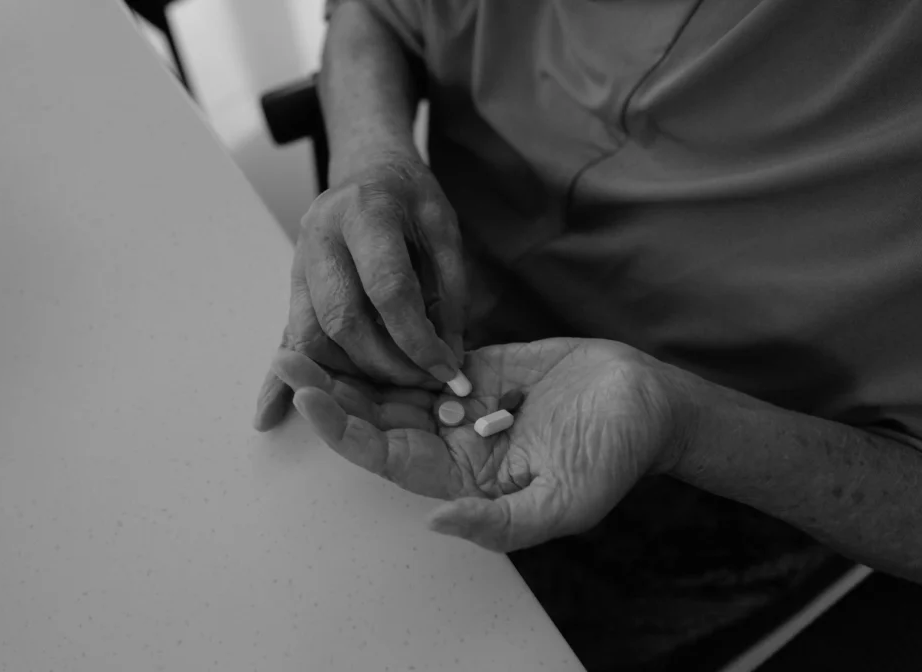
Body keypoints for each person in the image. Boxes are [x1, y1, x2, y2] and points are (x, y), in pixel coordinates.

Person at [254, 1, 922, 669]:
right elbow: (375, 13)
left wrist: (684, 421)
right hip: (421, 355)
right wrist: (373, 159)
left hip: (708, 503)